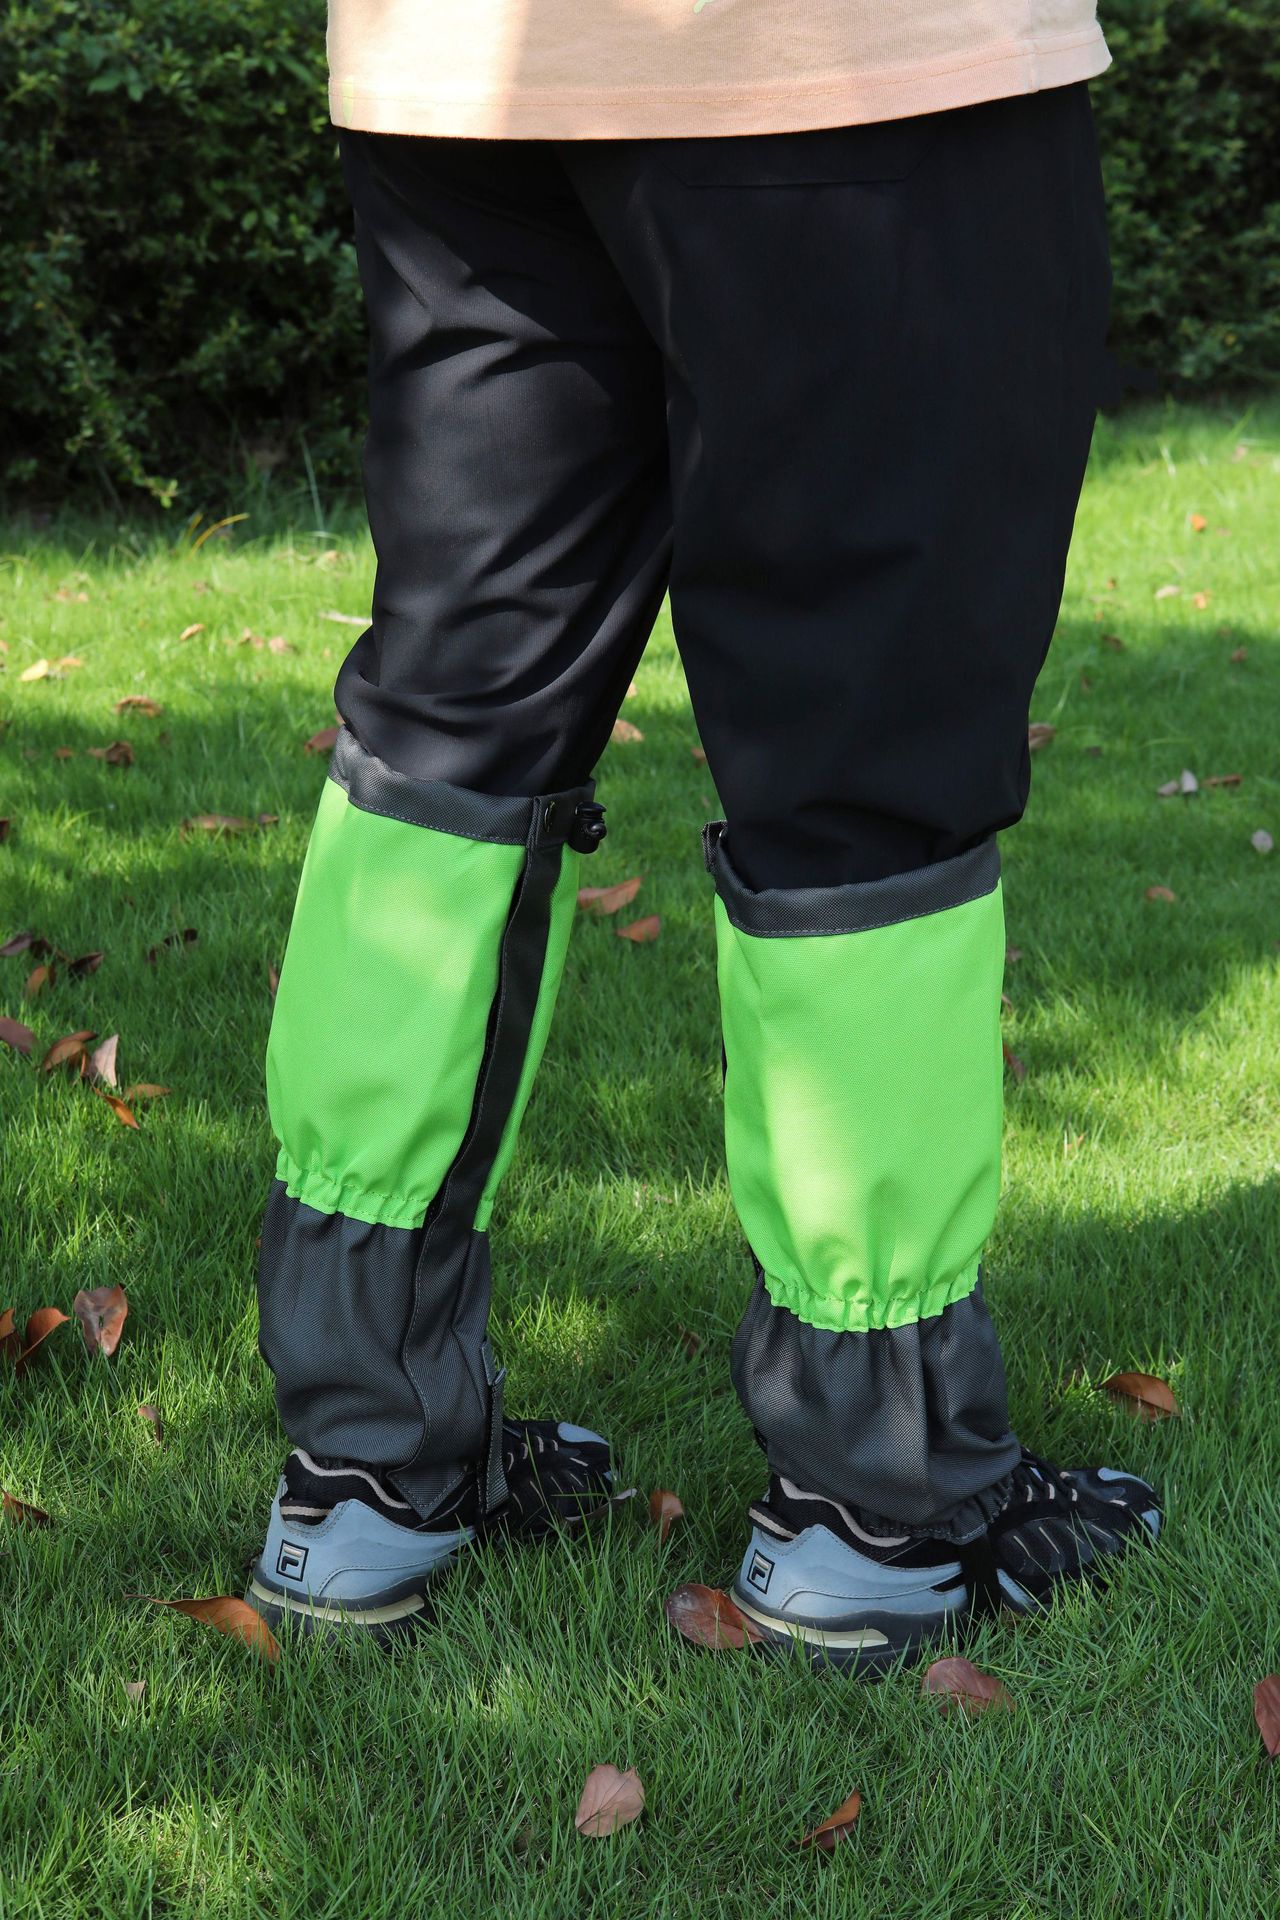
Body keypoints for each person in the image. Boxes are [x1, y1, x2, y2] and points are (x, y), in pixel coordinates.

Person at [244, 0, 1160, 1670]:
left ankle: (364, 1471)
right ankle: (878, 1508)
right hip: (846, 67)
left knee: (452, 723)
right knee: (866, 749)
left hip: (466, 71)